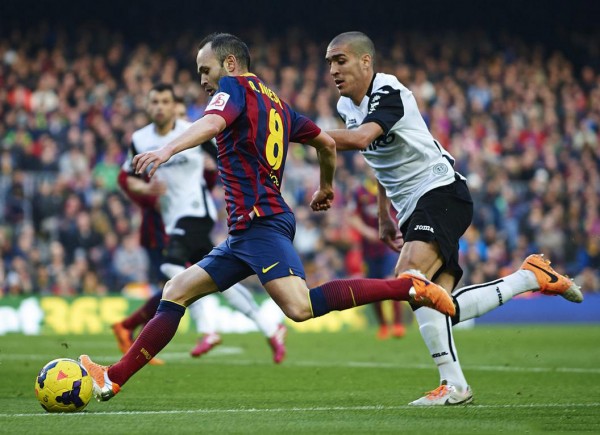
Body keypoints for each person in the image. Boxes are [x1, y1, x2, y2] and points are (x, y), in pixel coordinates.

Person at [78, 32, 455, 401]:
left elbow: (212, 124)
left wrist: (167, 150)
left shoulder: (234, 88)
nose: (203, 80)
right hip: (246, 229)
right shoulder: (278, 104)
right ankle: (112, 378)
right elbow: (325, 142)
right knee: (176, 290)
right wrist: (326, 185)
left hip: (261, 221)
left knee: (299, 307)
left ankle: (408, 287)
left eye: (205, 69)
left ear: (229, 64)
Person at [324, 31, 584, 405]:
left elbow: (364, 139)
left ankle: (527, 282)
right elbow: (376, 159)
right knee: (436, 304)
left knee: (409, 280)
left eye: (340, 60)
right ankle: (526, 283)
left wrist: (297, 133)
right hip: (414, 206)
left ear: (366, 61)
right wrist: (384, 214)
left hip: (440, 191)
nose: (333, 69)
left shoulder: (388, 91)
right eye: (329, 62)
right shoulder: (347, 107)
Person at [113, 83, 287, 364]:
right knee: (219, 278)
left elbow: (227, 152)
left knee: (172, 267)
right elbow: (125, 176)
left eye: (164, 101)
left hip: (196, 213)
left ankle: (207, 330)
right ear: (148, 106)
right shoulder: (140, 138)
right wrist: (143, 191)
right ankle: (271, 328)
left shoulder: (190, 131)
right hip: (172, 220)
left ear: (173, 105)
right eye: (154, 101)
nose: (159, 106)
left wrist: (221, 172)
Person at [348, 176, 405, 339]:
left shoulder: (391, 186)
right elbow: (352, 216)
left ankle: (398, 323)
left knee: (392, 280)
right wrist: (367, 232)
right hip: (369, 249)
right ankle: (383, 325)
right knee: (373, 287)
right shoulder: (359, 192)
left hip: (389, 245)